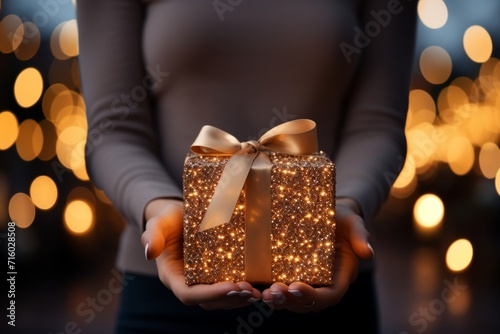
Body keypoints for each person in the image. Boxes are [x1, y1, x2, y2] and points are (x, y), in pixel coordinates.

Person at [76, 0, 417, 333]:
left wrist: (343, 206)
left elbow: (377, 125)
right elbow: (113, 130)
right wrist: (158, 206)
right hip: (167, 288)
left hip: (327, 273)